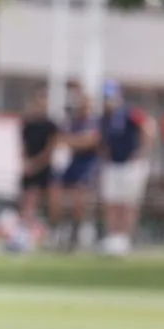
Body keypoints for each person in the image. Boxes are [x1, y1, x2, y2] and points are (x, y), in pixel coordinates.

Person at [99, 81, 156, 255]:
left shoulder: (130, 112)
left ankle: (125, 238)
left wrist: (143, 151)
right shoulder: (104, 118)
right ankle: (113, 237)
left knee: (128, 203)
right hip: (112, 164)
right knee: (112, 202)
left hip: (130, 164)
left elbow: (149, 126)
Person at [50, 91, 100, 251]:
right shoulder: (71, 122)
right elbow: (59, 140)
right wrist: (76, 141)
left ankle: (75, 236)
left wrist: (73, 142)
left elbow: (89, 142)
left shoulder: (94, 123)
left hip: (86, 166)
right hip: (70, 165)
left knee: (80, 199)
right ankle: (56, 233)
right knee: (56, 197)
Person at [18, 86, 59, 244]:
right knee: (28, 199)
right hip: (29, 167)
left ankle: (51, 233)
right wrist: (26, 163)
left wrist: (36, 164)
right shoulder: (28, 124)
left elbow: (51, 149)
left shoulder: (51, 126)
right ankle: (25, 232)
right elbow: (23, 147)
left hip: (44, 167)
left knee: (51, 199)